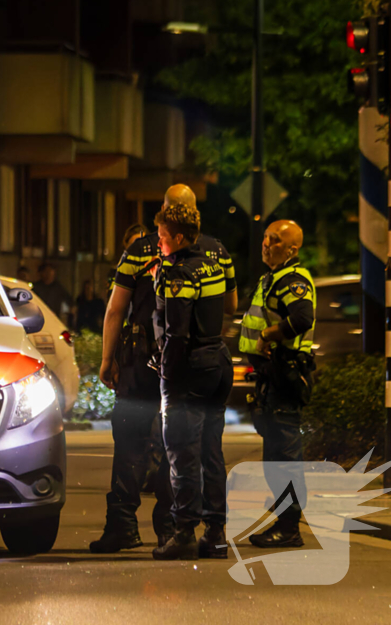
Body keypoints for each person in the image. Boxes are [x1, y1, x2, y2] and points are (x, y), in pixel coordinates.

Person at [91, 185, 235, 554]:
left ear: (169, 216)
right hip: (206, 361)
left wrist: (107, 360)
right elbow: (231, 304)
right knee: (197, 448)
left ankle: (126, 525)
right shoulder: (217, 251)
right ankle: (176, 526)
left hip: (152, 362)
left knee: (135, 443)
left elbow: (114, 310)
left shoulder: (143, 251)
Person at [150, 204, 233, 561]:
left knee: (182, 452)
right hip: (217, 364)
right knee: (212, 452)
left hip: (190, 371)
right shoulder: (212, 261)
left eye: (163, 236)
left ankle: (183, 531)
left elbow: (176, 332)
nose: (159, 242)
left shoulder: (178, 273)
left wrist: (167, 373)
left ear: (178, 237)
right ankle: (215, 533)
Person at [240, 220, 317, 549]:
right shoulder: (273, 277)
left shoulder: (293, 280)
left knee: (284, 455)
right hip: (272, 376)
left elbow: (302, 318)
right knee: (275, 455)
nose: (267, 243)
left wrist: (269, 336)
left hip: (285, 375)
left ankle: (289, 528)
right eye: (266, 238)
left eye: (276, 239)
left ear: (292, 249)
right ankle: (284, 522)